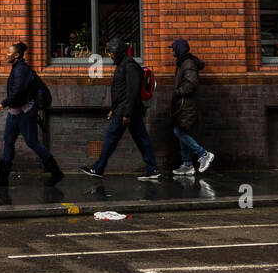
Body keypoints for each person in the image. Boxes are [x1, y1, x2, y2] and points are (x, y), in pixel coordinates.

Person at [81, 36, 158, 180]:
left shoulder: (129, 66)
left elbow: (132, 92)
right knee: (141, 138)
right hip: (125, 109)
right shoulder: (123, 64)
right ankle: (152, 169)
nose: (109, 55)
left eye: (111, 52)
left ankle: (98, 168)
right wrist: (113, 109)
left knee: (112, 138)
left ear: (118, 51)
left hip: (126, 111)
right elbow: (120, 91)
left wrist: (126, 114)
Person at [0, 41, 63, 187]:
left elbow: (18, 93)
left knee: (32, 142)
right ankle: (2, 178)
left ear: (16, 55)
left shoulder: (21, 70)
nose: (6, 54)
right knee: (8, 141)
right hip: (14, 113)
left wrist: (0, 106)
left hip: (25, 113)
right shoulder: (17, 67)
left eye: (9, 52)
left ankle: (56, 173)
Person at [169, 38, 214, 176]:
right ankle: (187, 164)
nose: (172, 51)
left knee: (179, 131)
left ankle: (203, 154)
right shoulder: (183, 62)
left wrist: (177, 92)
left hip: (186, 105)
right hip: (183, 104)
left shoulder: (187, 63)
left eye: (174, 48)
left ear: (179, 49)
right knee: (182, 131)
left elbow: (191, 83)